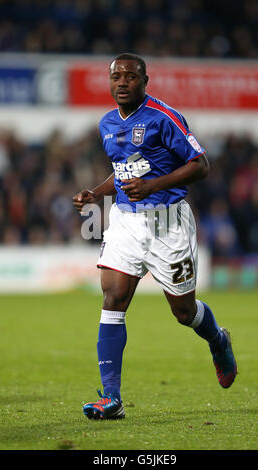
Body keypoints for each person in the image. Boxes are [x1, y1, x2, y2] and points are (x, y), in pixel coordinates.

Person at [73, 53, 237, 420]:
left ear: (145, 81)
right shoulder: (106, 124)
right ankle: (111, 398)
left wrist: (153, 186)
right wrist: (96, 194)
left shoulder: (164, 117)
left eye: (131, 76)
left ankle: (217, 339)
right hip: (127, 224)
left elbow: (201, 166)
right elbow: (122, 174)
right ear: (109, 81)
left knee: (184, 312)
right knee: (113, 299)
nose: (123, 82)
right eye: (116, 76)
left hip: (169, 226)